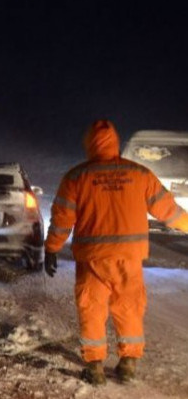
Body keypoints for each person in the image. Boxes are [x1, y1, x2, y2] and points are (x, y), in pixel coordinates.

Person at [44, 120, 188, 385]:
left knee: (92, 309)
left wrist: (51, 248)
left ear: (89, 144)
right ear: (116, 143)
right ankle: (128, 363)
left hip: (92, 260)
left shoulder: (76, 177)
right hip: (128, 258)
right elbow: (169, 211)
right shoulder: (139, 174)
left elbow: (62, 219)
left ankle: (95, 366)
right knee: (129, 308)